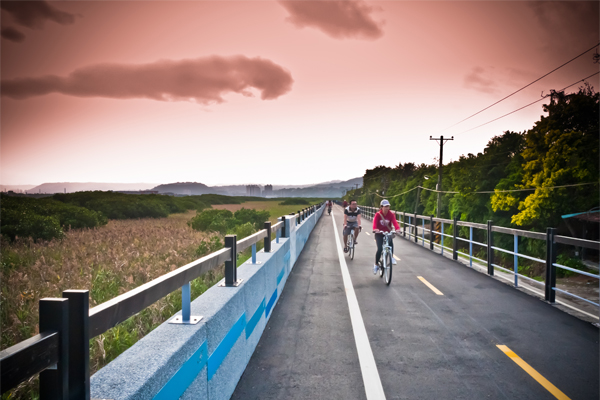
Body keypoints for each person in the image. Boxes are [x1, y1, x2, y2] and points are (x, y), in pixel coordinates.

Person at [372, 199, 399, 274]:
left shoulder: (391, 214)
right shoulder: (378, 214)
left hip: (387, 233)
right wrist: (375, 229)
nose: (387, 208)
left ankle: (392, 257)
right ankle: (376, 264)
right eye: (385, 206)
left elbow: (395, 222)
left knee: (390, 244)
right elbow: (374, 223)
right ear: (381, 207)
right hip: (379, 234)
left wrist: (397, 229)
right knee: (380, 249)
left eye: (388, 206)